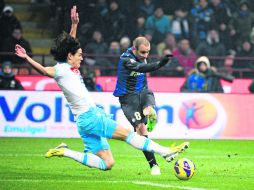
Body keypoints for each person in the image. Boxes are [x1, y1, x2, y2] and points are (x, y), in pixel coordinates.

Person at [15, 6, 189, 172]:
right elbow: (44, 70)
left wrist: (74, 25)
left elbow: (69, 46)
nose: (82, 57)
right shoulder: (60, 70)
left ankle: (64, 151)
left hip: (83, 123)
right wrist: (27, 58)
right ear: (70, 57)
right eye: (79, 55)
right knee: (129, 135)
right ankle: (165, 151)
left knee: (107, 163)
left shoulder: (67, 65)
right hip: (92, 117)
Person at [113, 36, 174, 175]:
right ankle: (154, 165)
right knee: (140, 129)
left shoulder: (142, 56)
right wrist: (160, 63)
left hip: (143, 92)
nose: (145, 55)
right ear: (135, 49)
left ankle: (150, 112)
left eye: (148, 52)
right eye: (143, 52)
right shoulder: (126, 59)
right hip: (128, 98)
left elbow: (144, 72)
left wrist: (146, 92)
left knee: (147, 110)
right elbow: (142, 68)